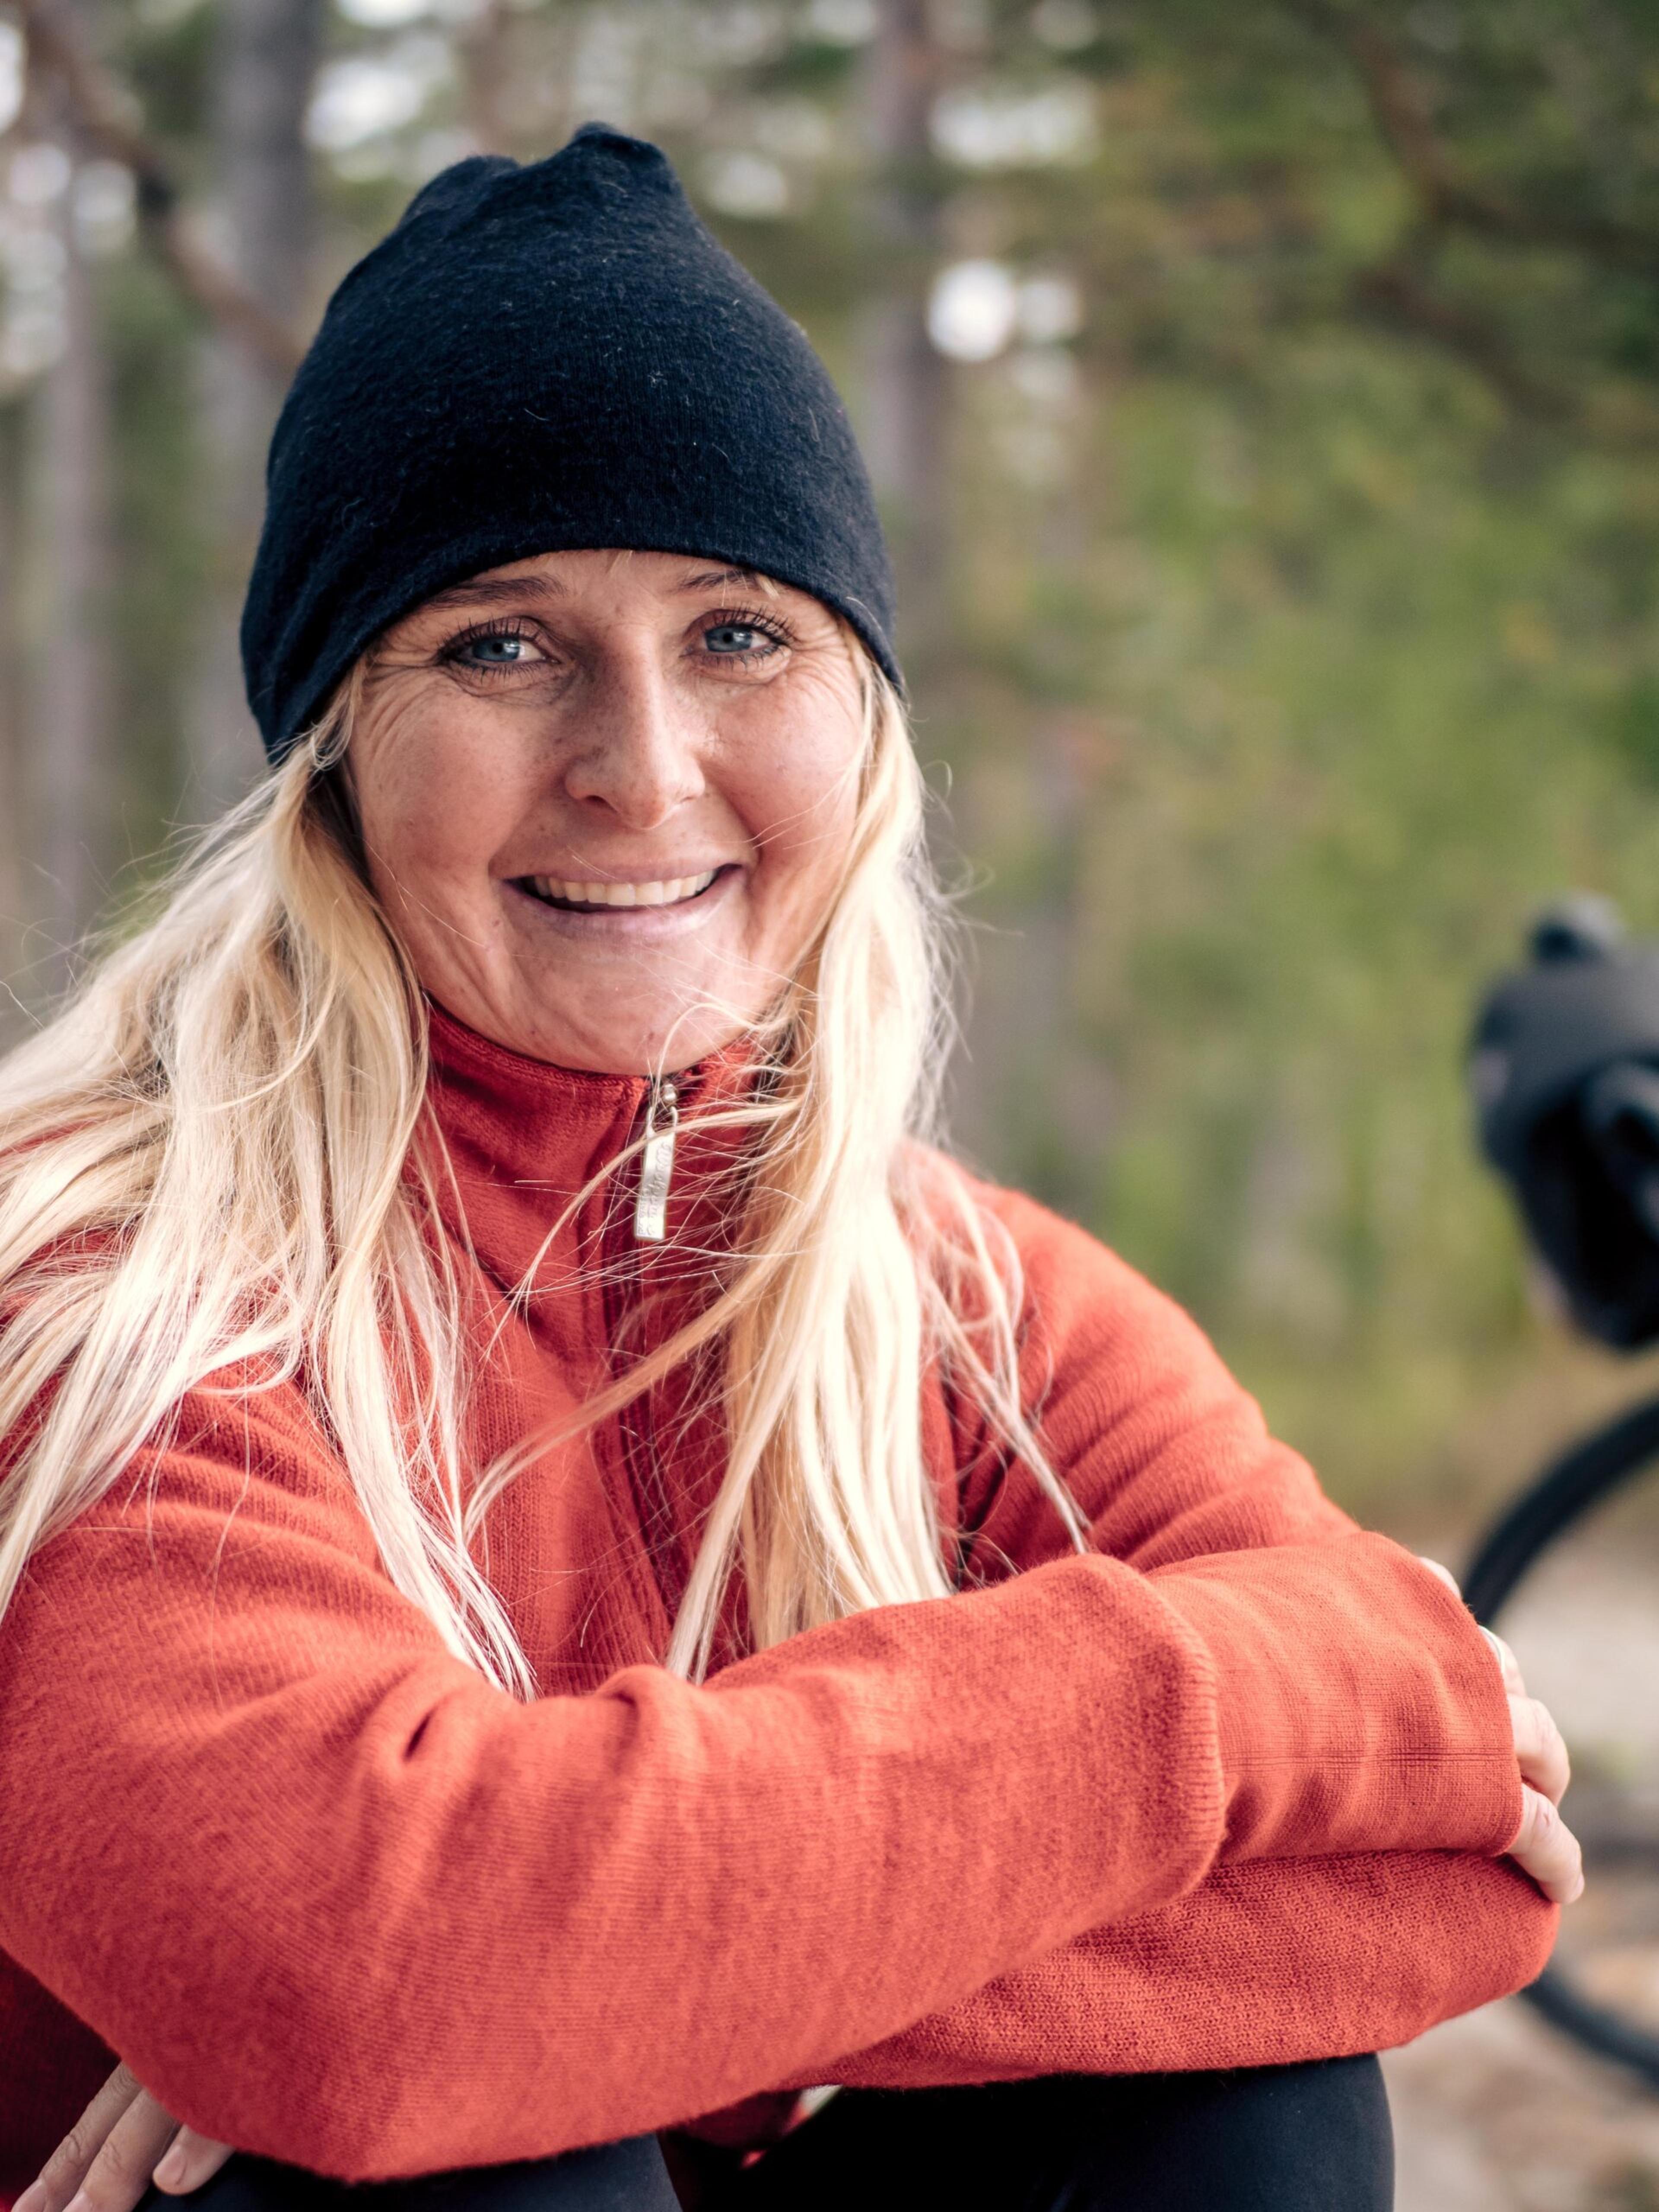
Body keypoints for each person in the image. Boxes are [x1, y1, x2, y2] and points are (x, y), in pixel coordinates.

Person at [0, 124, 1577, 2212]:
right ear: (335, 752)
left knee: (1246, 2098)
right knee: (472, 2163)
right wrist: (1213, 1706)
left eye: (740, 633)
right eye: (498, 644)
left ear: (862, 713)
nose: (642, 767)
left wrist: (537, 1973)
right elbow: (358, 1982)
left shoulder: (969, 1303)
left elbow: (1469, 1858)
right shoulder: (105, 1291)